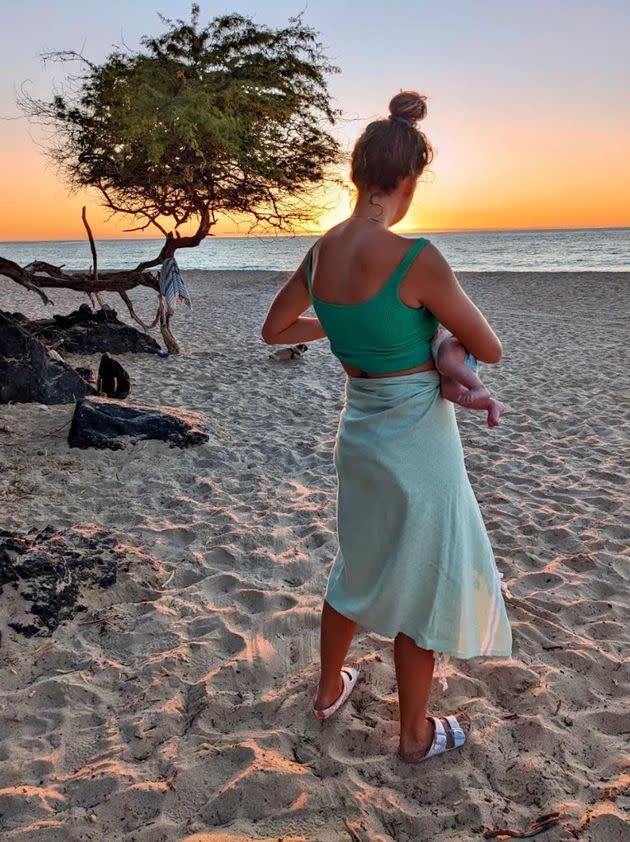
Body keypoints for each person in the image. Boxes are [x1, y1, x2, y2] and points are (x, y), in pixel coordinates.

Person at [261, 91, 512, 764]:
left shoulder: (321, 253)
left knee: (359, 566)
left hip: (361, 435)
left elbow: (274, 329)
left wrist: (343, 325)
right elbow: (487, 348)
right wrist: (437, 343)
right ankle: (413, 734)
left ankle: (325, 691)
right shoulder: (415, 256)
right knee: (423, 580)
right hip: (418, 442)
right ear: (407, 181)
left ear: (355, 174)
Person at [431, 327, 505, 428]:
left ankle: (478, 387)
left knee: (447, 363)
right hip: (456, 367)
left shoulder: (445, 329)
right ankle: (490, 404)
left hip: (455, 349)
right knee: (449, 392)